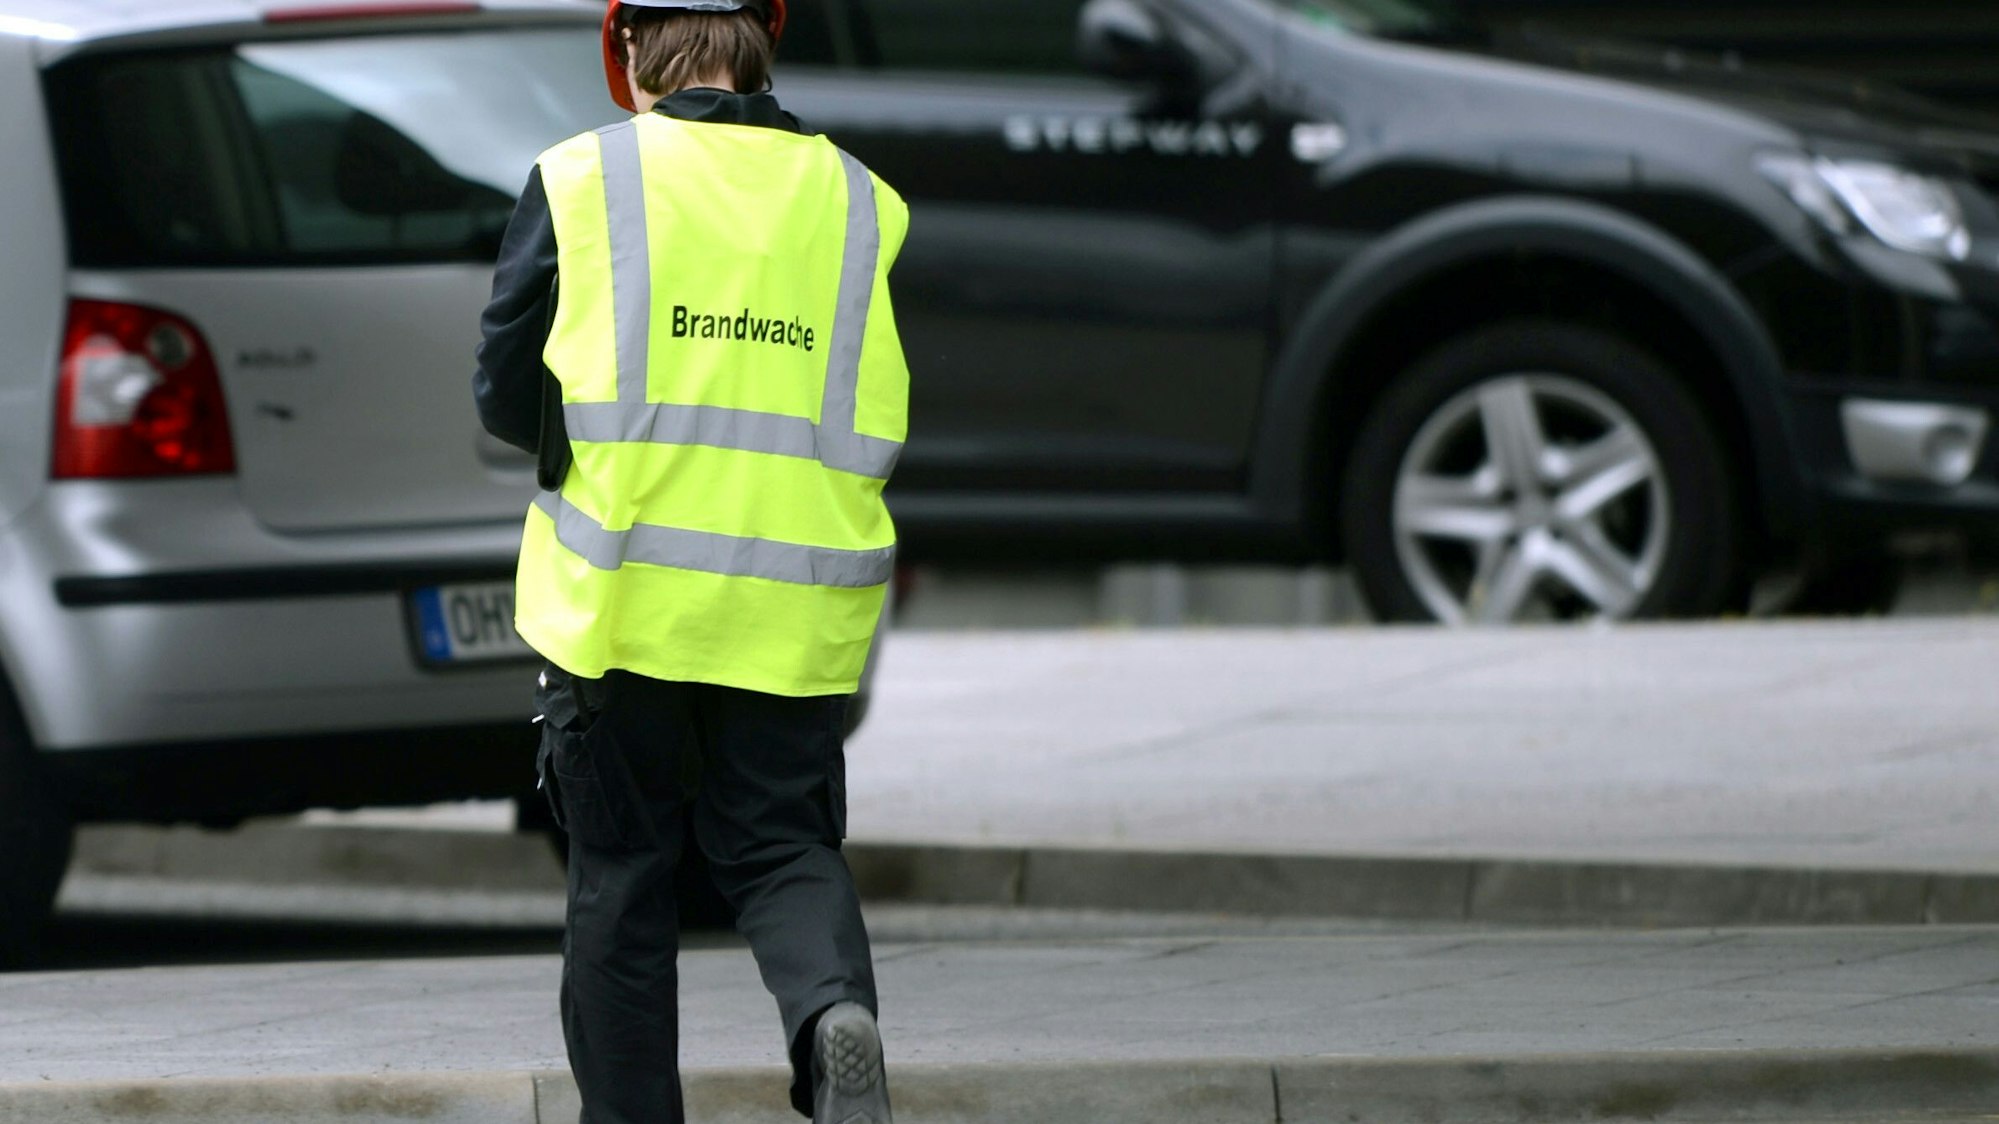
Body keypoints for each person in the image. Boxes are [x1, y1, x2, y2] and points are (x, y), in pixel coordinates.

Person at [472, 2, 909, 1121]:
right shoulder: (860, 200)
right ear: (769, 34)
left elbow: (503, 386)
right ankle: (828, 1018)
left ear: (625, 48)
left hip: (622, 603)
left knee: (621, 878)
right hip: (794, 606)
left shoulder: (580, 180)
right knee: (780, 846)